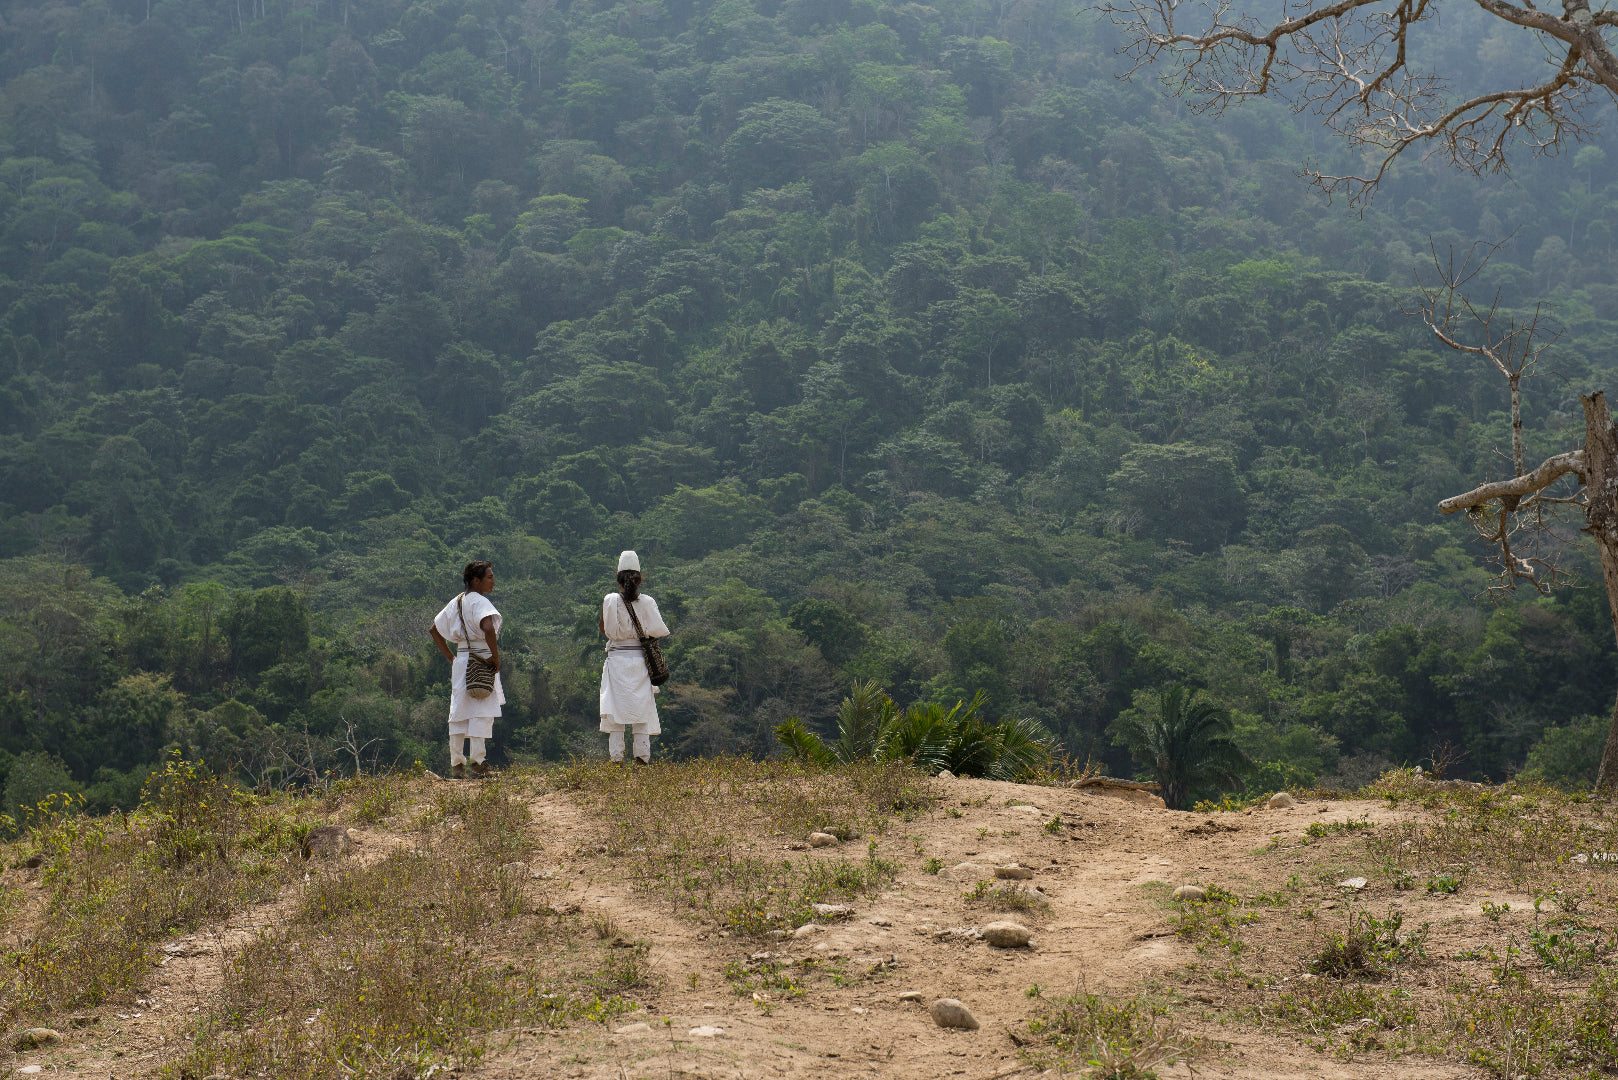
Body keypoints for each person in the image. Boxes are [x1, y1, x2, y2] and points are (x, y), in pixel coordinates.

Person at [430, 560, 503, 779]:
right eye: (489, 577)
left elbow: (434, 630)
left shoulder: (456, 602)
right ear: (476, 580)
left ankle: (457, 766)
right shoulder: (479, 602)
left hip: (461, 661)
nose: (493, 581)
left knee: (459, 713)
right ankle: (478, 764)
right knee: (481, 710)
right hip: (481, 658)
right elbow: (488, 627)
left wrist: (451, 657)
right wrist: (495, 658)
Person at [599, 550, 670, 764]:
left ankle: (616, 759)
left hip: (617, 661)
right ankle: (642, 758)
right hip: (641, 661)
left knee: (615, 709)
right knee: (642, 710)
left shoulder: (611, 600)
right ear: (639, 580)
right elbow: (657, 630)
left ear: (618, 579)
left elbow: (605, 629)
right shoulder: (648, 602)